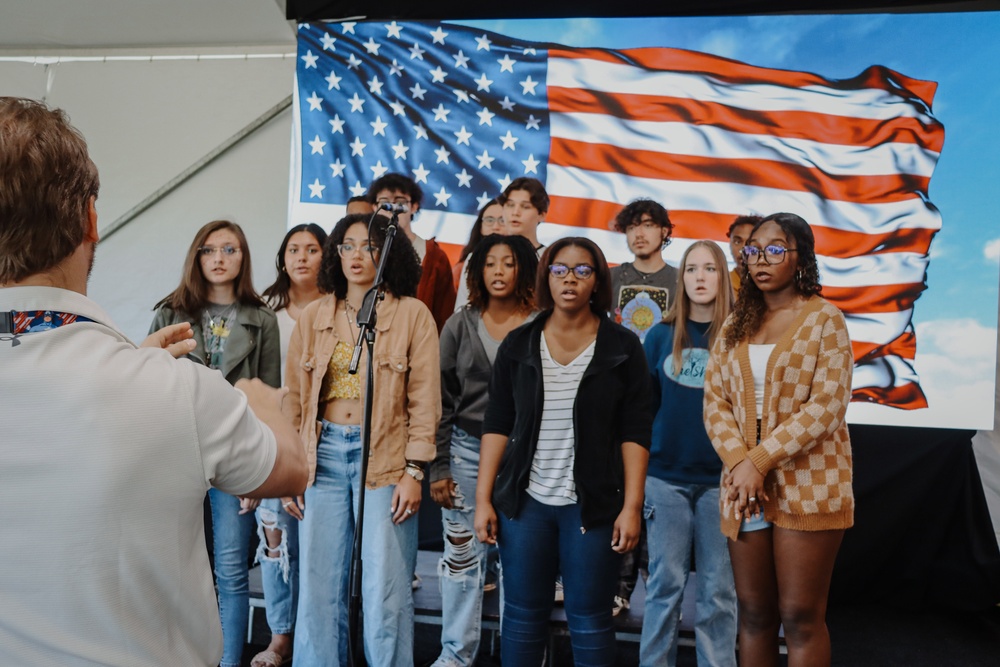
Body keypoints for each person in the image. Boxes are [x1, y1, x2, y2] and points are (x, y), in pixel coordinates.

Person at [0, 96, 306, 665]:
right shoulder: (178, 390)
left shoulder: (240, 332)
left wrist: (136, 367)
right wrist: (257, 400)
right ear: (91, 218)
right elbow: (291, 465)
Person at [474, 237, 653, 666]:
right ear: (545, 278)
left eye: (582, 270)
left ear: (598, 281)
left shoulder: (623, 347)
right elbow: (497, 423)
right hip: (525, 504)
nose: (569, 279)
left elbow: (635, 431)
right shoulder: (518, 344)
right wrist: (482, 499)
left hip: (592, 506)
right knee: (521, 615)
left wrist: (631, 506)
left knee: (589, 618)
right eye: (559, 270)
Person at [287, 213, 441, 667]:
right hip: (323, 456)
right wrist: (293, 467)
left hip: (388, 460)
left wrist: (415, 471)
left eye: (370, 246)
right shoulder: (315, 315)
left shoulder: (414, 314)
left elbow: (425, 401)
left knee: (385, 588)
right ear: (336, 253)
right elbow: (294, 401)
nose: (358, 255)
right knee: (318, 585)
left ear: (388, 253)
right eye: (348, 245)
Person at [704, 212, 854, 667]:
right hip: (742, 490)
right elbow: (715, 401)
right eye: (752, 250)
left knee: (800, 616)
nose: (760, 259)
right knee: (753, 614)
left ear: (800, 258)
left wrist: (758, 462)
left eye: (774, 249)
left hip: (810, 487)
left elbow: (827, 405)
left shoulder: (825, 320)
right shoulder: (734, 326)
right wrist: (738, 462)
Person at [150, 219, 282, 667]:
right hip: (178, 452)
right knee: (173, 567)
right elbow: (148, 387)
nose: (220, 258)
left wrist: (256, 472)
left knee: (229, 569)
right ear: (197, 256)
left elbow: (268, 400)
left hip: (232, 454)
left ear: (243, 258)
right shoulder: (169, 311)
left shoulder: (262, 319)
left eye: (230, 249)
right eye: (210, 250)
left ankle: (227, 662)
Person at [430, 234, 539, 667]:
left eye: (508, 263)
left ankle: (520, 654)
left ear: (523, 270)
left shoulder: (543, 323)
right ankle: (455, 653)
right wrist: (438, 466)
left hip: (525, 457)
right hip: (464, 452)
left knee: (520, 560)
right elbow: (439, 398)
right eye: (490, 263)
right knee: (461, 558)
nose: (498, 271)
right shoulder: (459, 323)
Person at [640, 241, 737, 667]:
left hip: (722, 482)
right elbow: (641, 410)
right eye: (692, 269)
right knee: (665, 585)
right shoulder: (661, 336)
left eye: (710, 268)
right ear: (681, 280)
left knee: (718, 590)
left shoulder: (740, 338)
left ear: (724, 278)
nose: (700, 277)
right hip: (665, 480)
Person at [250, 223, 328, 667]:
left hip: (324, 443)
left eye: (312, 249)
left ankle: (316, 639)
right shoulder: (266, 314)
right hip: (273, 442)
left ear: (326, 257)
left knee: (320, 546)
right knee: (276, 542)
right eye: (293, 249)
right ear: (282, 259)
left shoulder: (341, 312)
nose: (301, 257)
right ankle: (279, 638)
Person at [369, 172, 456, 332]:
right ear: (375, 207)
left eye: (400, 202)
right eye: (385, 203)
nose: (392, 208)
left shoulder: (434, 256)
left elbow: (445, 315)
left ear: (414, 206)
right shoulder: (366, 251)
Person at [455, 177, 549, 309]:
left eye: (525, 206)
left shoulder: (551, 258)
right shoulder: (478, 256)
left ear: (542, 215)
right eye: (510, 205)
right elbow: (463, 307)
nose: (515, 213)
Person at [610, 198, 678, 343]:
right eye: (631, 228)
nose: (638, 234)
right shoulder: (610, 277)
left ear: (664, 231)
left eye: (647, 225)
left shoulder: (681, 281)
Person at [451, 197, 506, 289]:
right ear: (480, 227)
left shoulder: (526, 262)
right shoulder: (463, 267)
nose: (496, 227)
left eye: (503, 220)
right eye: (489, 220)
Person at [725, 215, 761, 293]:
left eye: (750, 242)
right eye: (737, 242)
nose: (744, 248)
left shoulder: (774, 286)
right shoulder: (720, 284)